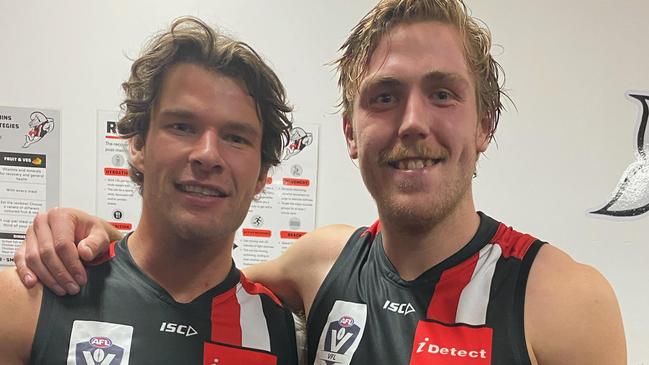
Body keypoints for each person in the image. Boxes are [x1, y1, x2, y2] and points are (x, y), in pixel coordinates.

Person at [14, 1, 627, 364]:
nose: (413, 122)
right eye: (384, 97)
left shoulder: (566, 302)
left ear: (485, 123)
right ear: (351, 132)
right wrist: (92, 235)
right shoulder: (321, 265)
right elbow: (181, 281)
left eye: (442, 93)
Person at [0, 17, 298, 365]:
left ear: (262, 173)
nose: (207, 155)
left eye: (236, 137)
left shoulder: (279, 329)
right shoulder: (27, 299)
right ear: (138, 144)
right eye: (182, 126)